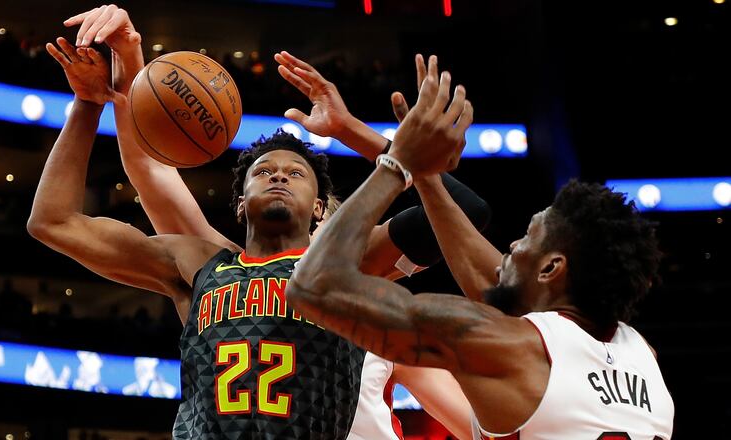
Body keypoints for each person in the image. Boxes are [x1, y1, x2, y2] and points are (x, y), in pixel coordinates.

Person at [62, 6, 496, 439]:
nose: (280, 182)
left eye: (299, 180)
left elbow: (478, 429)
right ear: (243, 204)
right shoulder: (220, 270)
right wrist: (129, 58)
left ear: (320, 212)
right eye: (266, 175)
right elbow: (150, 168)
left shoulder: (370, 304)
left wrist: (354, 132)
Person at [286, 57, 675, 439]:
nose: (510, 245)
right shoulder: (642, 354)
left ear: (551, 268)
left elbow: (313, 285)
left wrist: (397, 164)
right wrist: (384, 145)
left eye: (527, 238)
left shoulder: (498, 345)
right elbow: (480, 267)